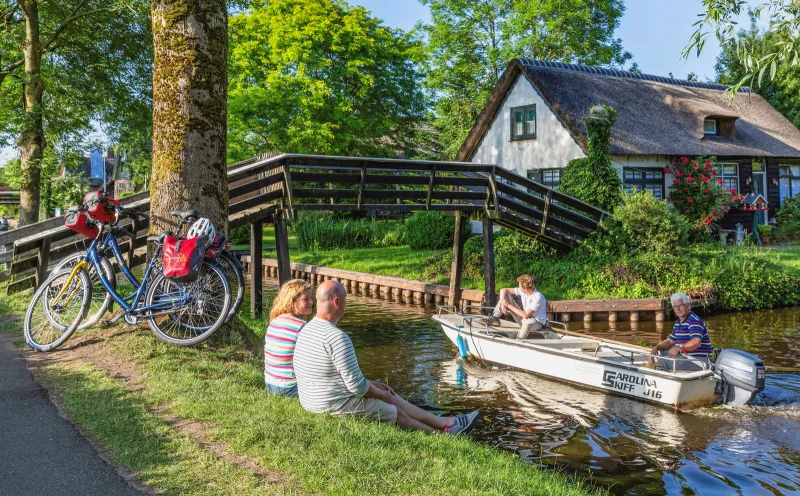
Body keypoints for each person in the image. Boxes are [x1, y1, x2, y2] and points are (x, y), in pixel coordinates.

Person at [294, 280, 478, 434]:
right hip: (331, 406)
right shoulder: (337, 337)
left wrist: (374, 385)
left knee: (387, 393)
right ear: (337, 302)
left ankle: (444, 422)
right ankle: (441, 435)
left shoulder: (306, 330)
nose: (346, 304)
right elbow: (357, 388)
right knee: (393, 410)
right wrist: (380, 394)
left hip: (311, 400)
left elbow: (334, 376)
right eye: (345, 300)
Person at [264, 279, 313, 397]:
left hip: (270, 383)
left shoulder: (275, 321)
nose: (311, 302)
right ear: (291, 302)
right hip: (289, 387)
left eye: (311, 298)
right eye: (305, 299)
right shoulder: (301, 327)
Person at [650, 292, 713, 371]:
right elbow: (670, 341)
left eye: (680, 305)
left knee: (663, 362)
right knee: (659, 354)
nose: (678, 309)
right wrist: (657, 347)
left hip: (698, 360)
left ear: (687, 305)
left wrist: (679, 348)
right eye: (675, 306)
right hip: (686, 357)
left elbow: (696, 342)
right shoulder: (678, 322)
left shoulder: (693, 320)